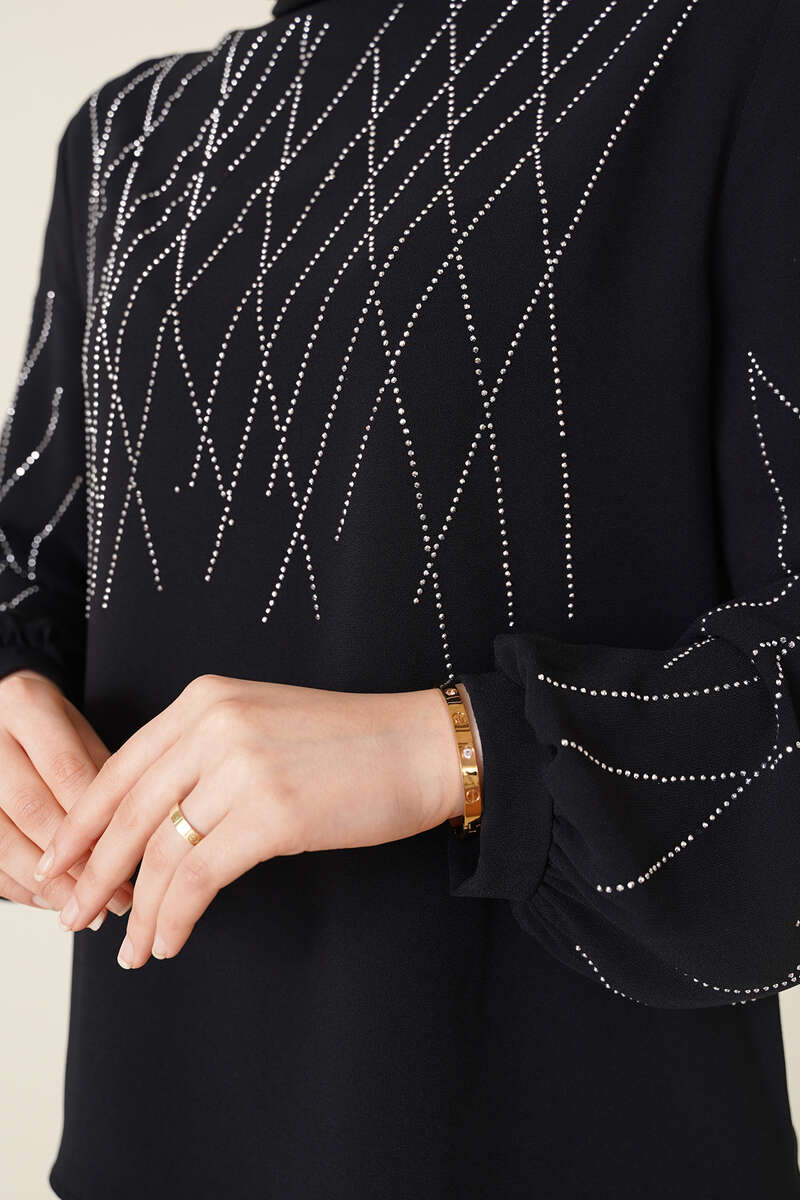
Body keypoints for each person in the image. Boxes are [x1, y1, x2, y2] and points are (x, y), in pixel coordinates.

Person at [2, 0, 800, 1195]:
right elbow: (34, 559)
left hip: (573, 1145)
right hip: (154, 1140)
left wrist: (460, 752)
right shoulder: (132, 135)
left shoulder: (728, 58)